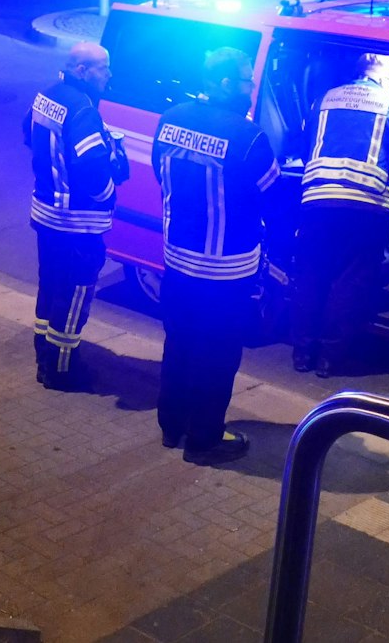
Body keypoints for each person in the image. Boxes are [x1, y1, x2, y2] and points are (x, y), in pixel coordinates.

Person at [151, 47, 279, 465]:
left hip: (178, 261)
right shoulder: (248, 137)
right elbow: (272, 198)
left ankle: (172, 426)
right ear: (226, 84)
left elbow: (159, 173)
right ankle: (204, 440)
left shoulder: (170, 120)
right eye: (246, 80)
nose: (251, 87)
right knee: (218, 356)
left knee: (179, 344)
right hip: (226, 271)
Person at [291, 51, 389, 377]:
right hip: (366, 205)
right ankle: (330, 358)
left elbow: (305, 144)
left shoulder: (324, 99)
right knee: (351, 281)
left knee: (312, 274)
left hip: (318, 201)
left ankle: (302, 351)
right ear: (384, 75)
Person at [23, 42, 129, 391]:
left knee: (51, 286)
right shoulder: (83, 110)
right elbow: (91, 170)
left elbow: (28, 132)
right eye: (103, 68)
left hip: (46, 213)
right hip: (76, 223)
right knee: (75, 294)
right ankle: (62, 369)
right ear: (82, 71)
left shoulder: (47, 94)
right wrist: (109, 194)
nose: (109, 74)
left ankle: (43, 356)